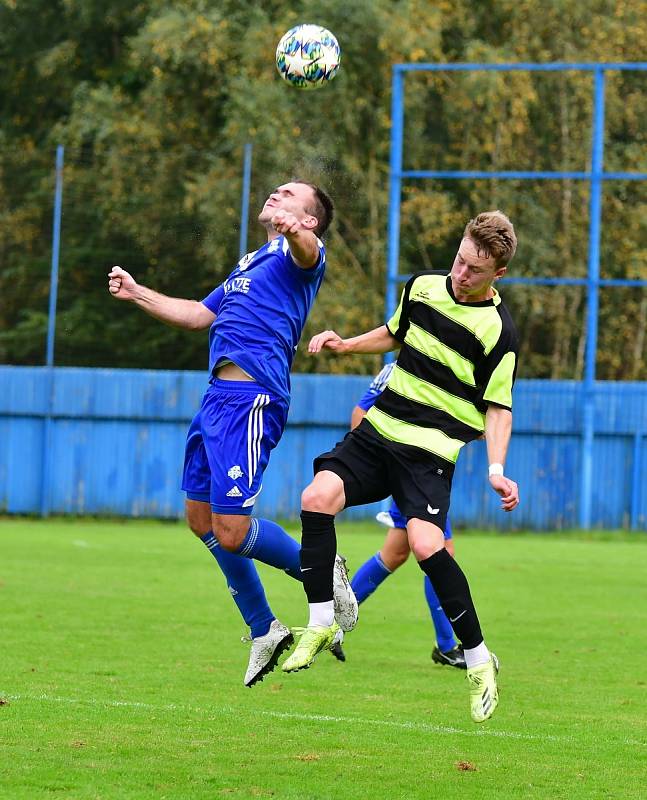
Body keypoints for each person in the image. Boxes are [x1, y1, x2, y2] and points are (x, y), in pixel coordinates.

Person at [107, 180, 357, 688]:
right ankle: (264, 627)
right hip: (214, 402)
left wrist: (297, 236)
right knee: (200, 519)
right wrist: (137, 292)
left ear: (308, 220)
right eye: (277, 191)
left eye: (289, 196)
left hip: (251, 400)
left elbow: (310, 253)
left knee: (233, 531)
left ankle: (320, 567)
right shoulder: (252, 261)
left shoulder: (299, 255)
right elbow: (200, 314)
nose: (275, 195)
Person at [282, 210, 520, 724]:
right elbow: (394, 333)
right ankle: (321, 622)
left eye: (475, 270)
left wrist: (497, 468)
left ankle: (478, 661)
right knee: (315, 497)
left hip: (430, 452)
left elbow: (499, 407)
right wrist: (346, 344)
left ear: (497, 274)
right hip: (379, 432)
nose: (461, 274)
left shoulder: (498, 332)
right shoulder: (423, 287)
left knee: (426, 544)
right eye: (459, 260)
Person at [335, 362, 465, 669]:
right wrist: (379, 465)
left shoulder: (444, 366)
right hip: (413, 476)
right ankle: (447, 646)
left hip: (423, 473)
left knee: (393, 554)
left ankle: (331, 623)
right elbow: (360, 414)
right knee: (441, 553)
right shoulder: (399, 369)